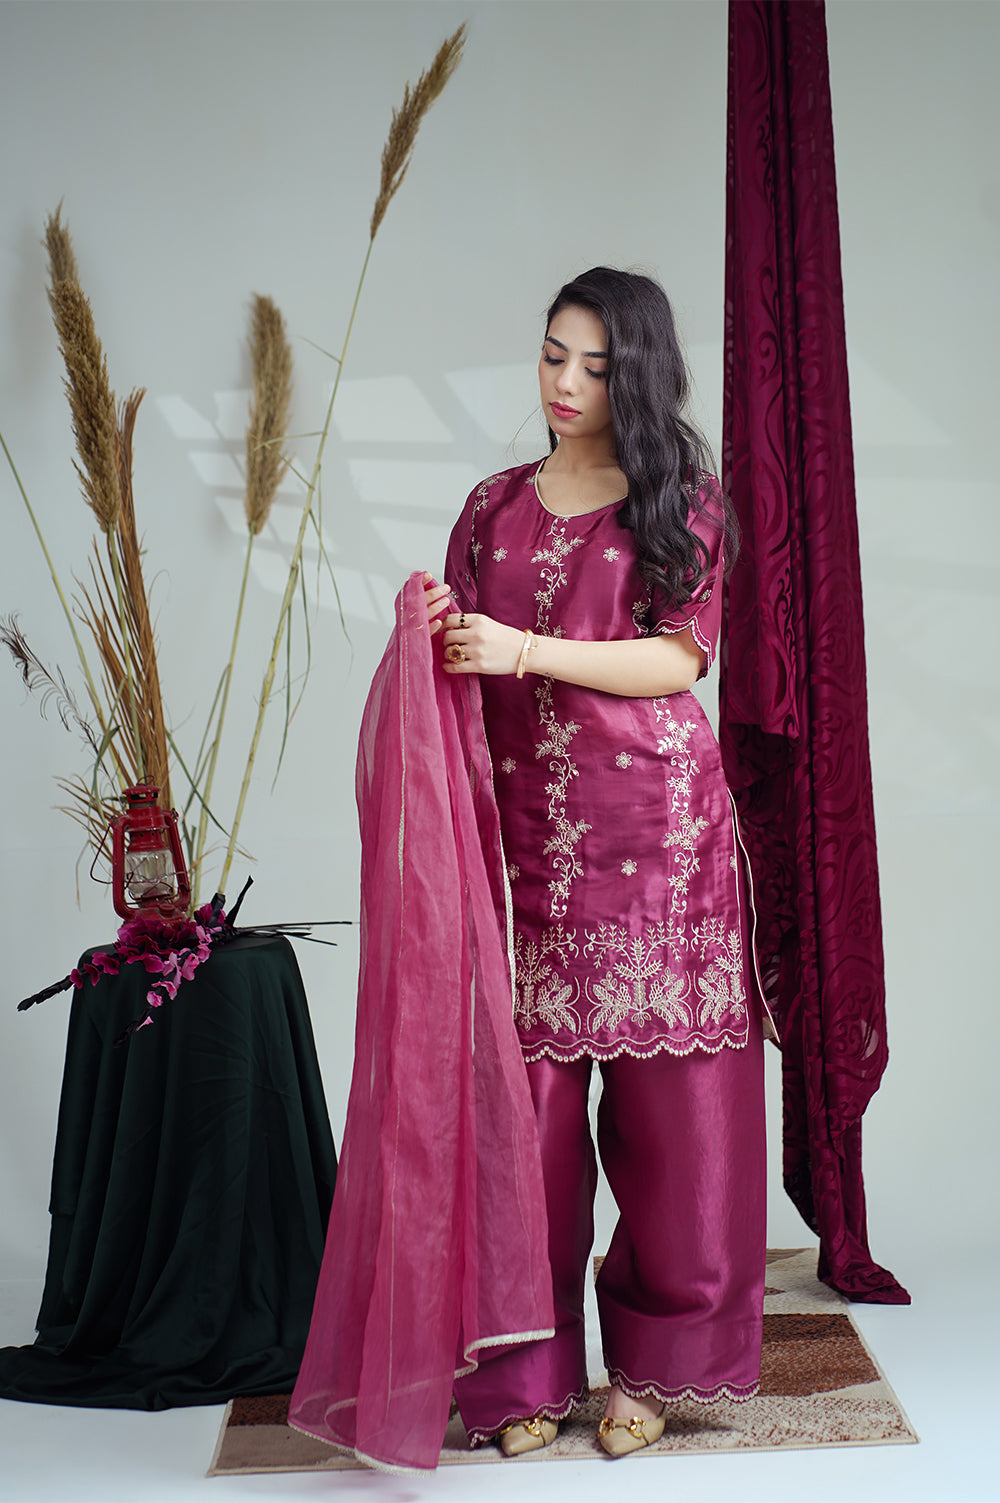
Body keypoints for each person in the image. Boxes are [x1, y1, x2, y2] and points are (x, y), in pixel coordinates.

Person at [423, 266, 768, 1459]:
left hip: (659, 845)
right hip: (522, 848)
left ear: (641, 375)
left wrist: (521, 647)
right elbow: (464, 660)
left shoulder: (682, 503)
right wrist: (441, 637)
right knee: (522, 1129)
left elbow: (678, 662)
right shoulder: (490, 507)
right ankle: (520, 1374)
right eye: (551, 355)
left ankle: (660, 1367)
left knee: (678, 1130)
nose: (564, 384)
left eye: (597, 365)